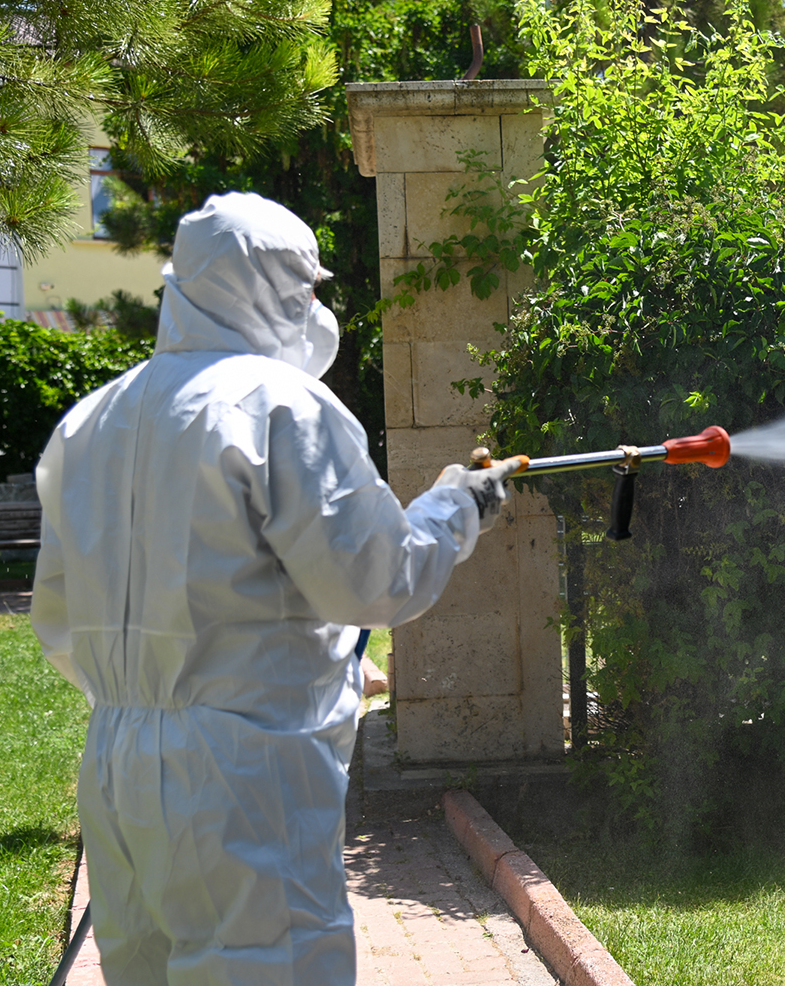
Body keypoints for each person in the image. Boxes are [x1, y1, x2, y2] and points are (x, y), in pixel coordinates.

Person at [31, 192, 519, 986]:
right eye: (310, 289)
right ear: (272, 286)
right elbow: (376, 579)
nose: (318, 308)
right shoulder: (279, 404)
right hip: (244, 774)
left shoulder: (92, 420)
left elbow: (60, 615)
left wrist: (160, 704)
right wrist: (457, 506)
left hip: (117, 764)